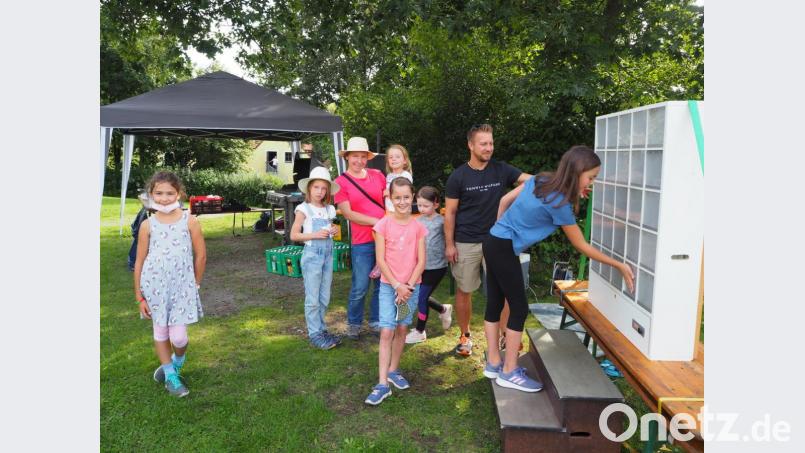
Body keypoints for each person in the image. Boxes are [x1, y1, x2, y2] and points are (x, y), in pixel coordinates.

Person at [482, 145, 634, 392]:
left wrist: (499, 230)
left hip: (492, 241)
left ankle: (493, 362)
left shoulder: (540, 179)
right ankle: (508, 371)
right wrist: (618, 264)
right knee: (519, 308)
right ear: (578, 172)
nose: (592, 183)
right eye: (591, 177)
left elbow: (504, 200)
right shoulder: (560, 204)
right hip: (503, 247)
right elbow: (581, 245)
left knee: (495, 303)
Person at [444, 123, 531, 356]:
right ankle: (465, 335)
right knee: (465, 289)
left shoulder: (502, 170)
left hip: (498, 240)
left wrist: (562, 181)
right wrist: (450, 244)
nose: (489, 148)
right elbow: (450, 212)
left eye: (491, 143)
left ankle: (505, 335)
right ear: (471, 145)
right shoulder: (458, 176)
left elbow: (531, 181)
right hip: (466, 241)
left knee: (503, 289)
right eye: (483, 143)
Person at [134, 171, 206, 398]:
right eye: (159, 193)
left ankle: (177, 361)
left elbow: (201, 255)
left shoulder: (190, 220)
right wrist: (140, 296)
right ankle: (171, 377)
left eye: (169, 193)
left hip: (182, 287)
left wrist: (195, 283)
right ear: (151, 194)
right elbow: (139, 261)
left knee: (179, 338)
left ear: (179, 193)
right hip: (154, 287)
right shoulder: (147, 225)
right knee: (161, 331)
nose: (164, 198)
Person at [364, 177, 428, 405]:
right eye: (397, 197)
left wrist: (408, 286)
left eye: (406, 197)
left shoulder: (419, 227)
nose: (402, 201)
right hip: (388, 287)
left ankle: (393, 370)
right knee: (386, 332)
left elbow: (421, 261)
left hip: (411, 288)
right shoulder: (382, 225)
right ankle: (382, 384)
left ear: (412, 198)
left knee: (402, 329)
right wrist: (397, 285)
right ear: (390, 199)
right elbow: (380, 260)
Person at [334, 137, 386, 340]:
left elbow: (389, 199)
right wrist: (377, 221)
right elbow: (348, 213)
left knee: (382, 284)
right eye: (355, 156)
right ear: (347, 157)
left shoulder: (378, 175)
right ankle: (354, 323)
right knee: (360, 285)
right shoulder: (340, 182)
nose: (359, 160)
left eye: (363, 156)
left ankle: (376, 321)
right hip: (362, 241)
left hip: (384, 239)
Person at [290, 166, 342, 350]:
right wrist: (314, 235)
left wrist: (334, 231)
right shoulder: (303, 209)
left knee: (324, 297)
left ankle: (322, 329)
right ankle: (314, 333)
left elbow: (331, 233)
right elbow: (294, 235)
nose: (320, 192)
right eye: (316, 187)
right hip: (312, 257)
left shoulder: (330, 210)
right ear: (309, 188)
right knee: (312, 299)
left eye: (323, 188)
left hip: (328, 256)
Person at [405, 186, 453, 344]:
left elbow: (450, 239)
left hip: (437, 267)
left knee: (421, 298)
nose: (422, 209)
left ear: (436, 205)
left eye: (426, 205)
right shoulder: (416, 221)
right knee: (421, 296)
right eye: (419, 205)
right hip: (421, 267)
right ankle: (443, 309)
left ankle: (420, 331)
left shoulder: (442, 221)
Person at [383, 144, 413, 212]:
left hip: (402, 211)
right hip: (389, 210)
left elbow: (405, 192)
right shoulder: (389, 176)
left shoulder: (406, 175)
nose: (394, 159)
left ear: (405, 161)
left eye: (397, 157)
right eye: (391, 157)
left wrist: (389, 193)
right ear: (388, 161)